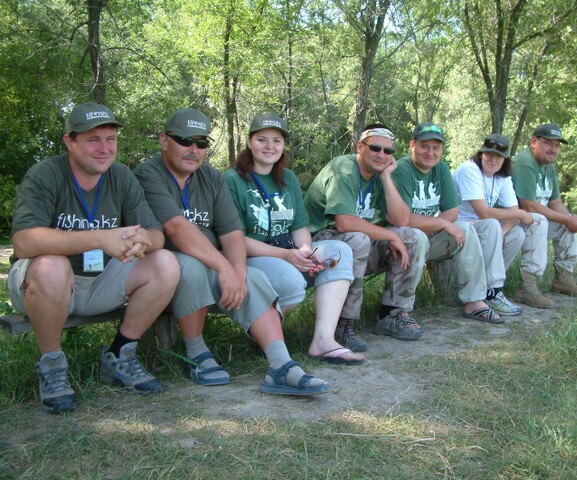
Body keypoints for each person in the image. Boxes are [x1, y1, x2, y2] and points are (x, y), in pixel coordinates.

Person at [134, 108, 328, 396]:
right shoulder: (149, 173)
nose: (193, 150)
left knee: (253, 277)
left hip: (211, 260)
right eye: (185, 141)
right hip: (164, 267)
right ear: (164, 141)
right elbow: (176, 229)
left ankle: (281, 365)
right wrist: (225, 267)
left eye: (201, 143)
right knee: (193, 266)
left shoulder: (211, 177)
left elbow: (232, 231)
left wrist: (237, 269)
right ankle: (196, 352)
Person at [7, 102, 181, 414]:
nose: (105, 148)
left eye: (110, 139)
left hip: (101, 280)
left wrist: (142, 240)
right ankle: (52, 366)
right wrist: (100, 238)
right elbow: (23, 242)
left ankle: (120, 356)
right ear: (69, 141)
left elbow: (156, 234)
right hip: (45, 286)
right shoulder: (46, 174)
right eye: (93, 140)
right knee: (51, 265)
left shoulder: (121, 176)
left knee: (165, 262)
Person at [223, 113, 363, 365]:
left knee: (338, 250)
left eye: (276, 141)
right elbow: (235, 239)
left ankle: (323, 340)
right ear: (250, 142)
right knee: (291, 278)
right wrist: (287, 256)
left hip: (287, 249)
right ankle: (264, 335)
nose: (270, 146)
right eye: (262, 140)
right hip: (253, 256)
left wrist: (307, 252)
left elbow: (299, 227)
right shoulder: (232, 180)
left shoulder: (287, 178)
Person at [304, 123, 428, 350]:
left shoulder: (378, 175)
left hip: (354, 243)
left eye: (388, 151)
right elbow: (344, 222)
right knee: (358, 238)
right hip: (318, 247)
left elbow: (402, 220)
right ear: (360, 147)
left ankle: (392, 314)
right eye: (375, 148)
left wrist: (386, 178)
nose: (382, 155)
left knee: (412, 236)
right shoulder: (344, 169)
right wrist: (389, 236)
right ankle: (342, 323)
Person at [392, 122, 503, 324]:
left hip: (427, 237)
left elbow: (452, 210)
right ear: (412, 145)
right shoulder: (402, 170)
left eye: (436, 148)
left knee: (464, 228)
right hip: (399, 240)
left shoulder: (441, 169)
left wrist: (436, 226)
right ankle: (399, 312)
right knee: (419, 235)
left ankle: (474, 301)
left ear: (442, 149)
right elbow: (404, 219)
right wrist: (441, 225)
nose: (430, 153)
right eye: (424, 146)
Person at [452, 133, 538, 315]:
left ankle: (486, 288)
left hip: (481, 228)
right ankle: (493, 291)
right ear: (481, 154)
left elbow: (513, 215)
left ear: (505, 159)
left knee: (517, 234)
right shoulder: (470, 170)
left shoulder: (502, 177)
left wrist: (501, 234)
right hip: (458, 227)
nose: (493, 159)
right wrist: (518, 214)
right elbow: (483, 212)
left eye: (498, 156)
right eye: (489, 154)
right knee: (491, 224)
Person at [510, 123, 577, 306]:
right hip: (511, 220)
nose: (553, 149)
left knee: (565, 224)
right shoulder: (524, 162)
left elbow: (555, 202)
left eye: (557, 145)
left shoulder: (549, 166)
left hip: (531, 218)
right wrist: (566, 219)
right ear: (534, 142)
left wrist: (570, 220)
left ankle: (563, 278)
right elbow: (528, 205)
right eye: (548, 143)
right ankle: (527, 286)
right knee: (539, 220)